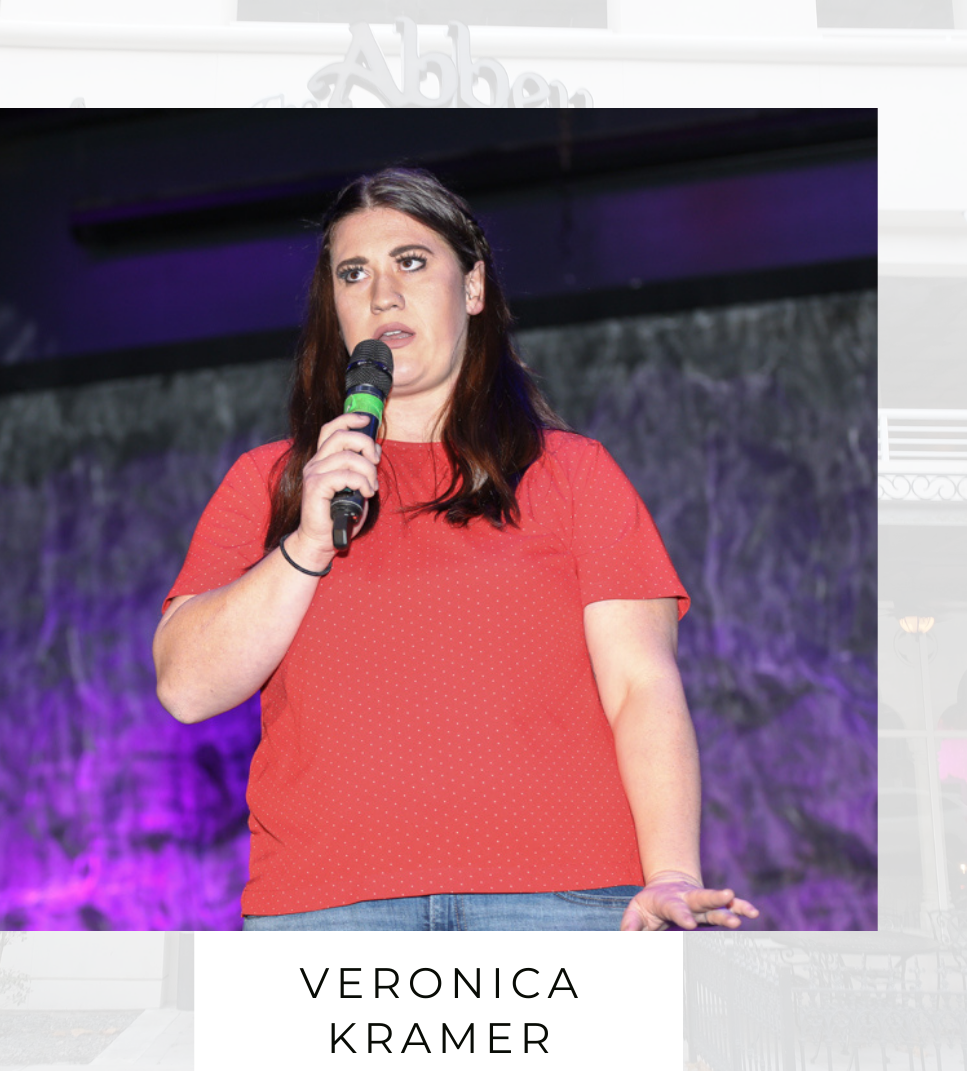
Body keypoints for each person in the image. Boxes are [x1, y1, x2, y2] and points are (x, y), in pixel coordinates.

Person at [154, 166, 758, 932]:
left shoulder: (573, 475)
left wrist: (671, 871)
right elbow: (186, 688)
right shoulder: (268, 484)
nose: (382, 294)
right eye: (353, 273)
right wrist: (305, 541)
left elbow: (642, 687)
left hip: (561, 903)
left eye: (410, 261)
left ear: (472, 287)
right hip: (329, 915)